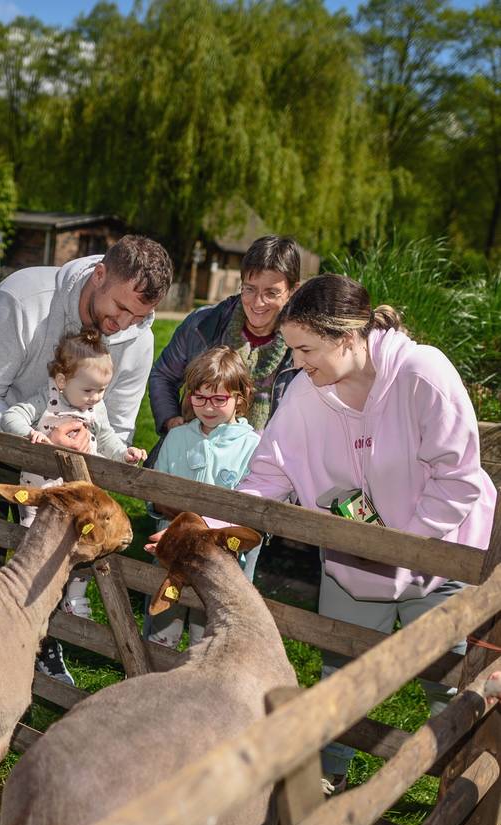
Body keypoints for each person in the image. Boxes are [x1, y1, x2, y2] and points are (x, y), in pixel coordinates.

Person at [195, 273, 496, 793]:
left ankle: (461, 782)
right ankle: (325, 781)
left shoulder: (421, 375)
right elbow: (268, 475)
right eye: (291, 349)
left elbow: (457, 478)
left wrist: (402, 550)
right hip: (355, 564)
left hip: (445, 559)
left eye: (306, 348)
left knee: (449, 679)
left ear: (348, 336)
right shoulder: (306, 394)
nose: (296, 362)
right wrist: (207, 528)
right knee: (341, 673)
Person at [0, 234, 173, 682]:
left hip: (63, 461)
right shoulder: (25, 296)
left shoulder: (137, 339)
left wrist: (96, 448)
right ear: (100, 275)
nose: (124, 324)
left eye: (139, 316)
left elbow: (117, 425)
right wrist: (35, 441)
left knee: (49, 561)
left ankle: (40, 644)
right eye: (120, 308)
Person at [2, 328, 149, 682]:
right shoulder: (45, 400)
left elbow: (111, 439)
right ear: (61, 379)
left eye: (101, 390)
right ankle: (34, 621)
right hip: (42, 495)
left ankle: (75, 598)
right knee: (38, 550)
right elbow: (12, 416)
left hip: (79, 499)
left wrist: (124, 453)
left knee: (85, 543)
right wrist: (31, 434)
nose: (96, 398)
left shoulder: (95, 410)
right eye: (88, 390)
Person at [144, 346, 260, 649]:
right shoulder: (177, 438)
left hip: (223, 563)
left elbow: (251, 512)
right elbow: (155, 495)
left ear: (240, 397)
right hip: (171, 554)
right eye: (200, 398)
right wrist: (163, 507)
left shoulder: (253, 446)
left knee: (208, 636)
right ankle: (151, 682)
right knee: (162, 627)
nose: (208, 408)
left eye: (219, 399)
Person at [149, 235, 301, 438]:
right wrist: (171, 420)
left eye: (271, 293)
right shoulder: (202, 324)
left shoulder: (303, 347)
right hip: (191, 454)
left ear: (292, 291)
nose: (258, 302)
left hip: (263, 465)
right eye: (249, 289)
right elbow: (163, 375)